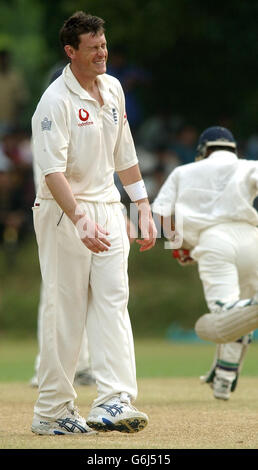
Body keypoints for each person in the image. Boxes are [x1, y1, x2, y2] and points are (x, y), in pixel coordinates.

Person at [30, 11, 156, 436]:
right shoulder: (55, 101)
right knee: (65, 310)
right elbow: (52, 172)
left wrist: (142, 207)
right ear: (71, 52)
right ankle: (52, 411)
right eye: (94, 48)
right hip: (64, 211)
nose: (103, 53)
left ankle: (113, 401)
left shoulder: (113, 88)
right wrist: (80, 218)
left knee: (113, 303)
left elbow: (125, 153)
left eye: (104, 45)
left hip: (107, 205)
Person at [152, 126, 258, 401]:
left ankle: (224, 372)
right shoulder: (249, 166)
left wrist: (180, 244)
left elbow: (160, 212)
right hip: (252, 238)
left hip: (213, 241)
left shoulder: (183, 171)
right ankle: (224, 378)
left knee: (225, 314)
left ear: (203, 150)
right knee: (241, 319)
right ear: (233, 149)